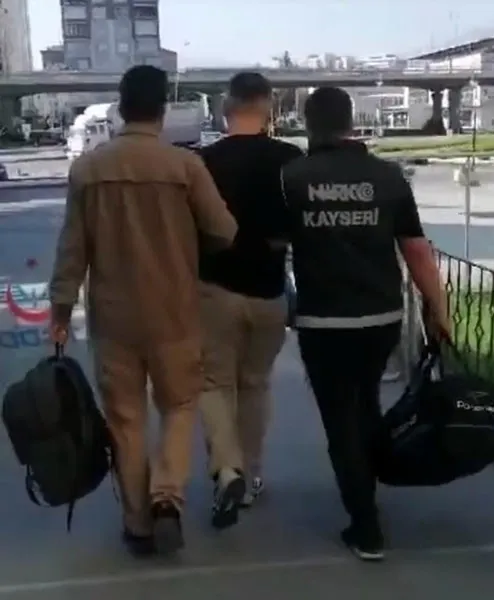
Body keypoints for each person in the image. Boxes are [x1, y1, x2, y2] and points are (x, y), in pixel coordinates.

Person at [48, 65, 238, 556]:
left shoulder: (88, 170)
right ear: (162, 110)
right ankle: (166, 497)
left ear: (120, 107)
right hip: (175, 312)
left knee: (125, 419)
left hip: (114, 319)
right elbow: (224, 231)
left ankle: (137, 523)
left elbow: (72, 249)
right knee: (180, 404)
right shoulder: (185, 167)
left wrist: (61, 309)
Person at [280, 86, 450, 561]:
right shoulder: (387, 175)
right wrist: (438, 308)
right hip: (381, 317)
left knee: (341, 419)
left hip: (323, 320)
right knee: (367, 403)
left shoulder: (292, 178)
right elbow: (416, 250)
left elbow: (273, 243)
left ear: (309, 124)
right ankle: (371, 484)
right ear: (350, 121)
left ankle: (365, 524)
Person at [198, 72, 303, 528]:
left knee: (215, 384)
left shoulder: (203, 162)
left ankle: (228, 470)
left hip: (215, 290)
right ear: (269, 107)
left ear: (227, 107)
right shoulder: (290, 159)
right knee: (256, 383)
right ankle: (253, 474)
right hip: (270, 290)